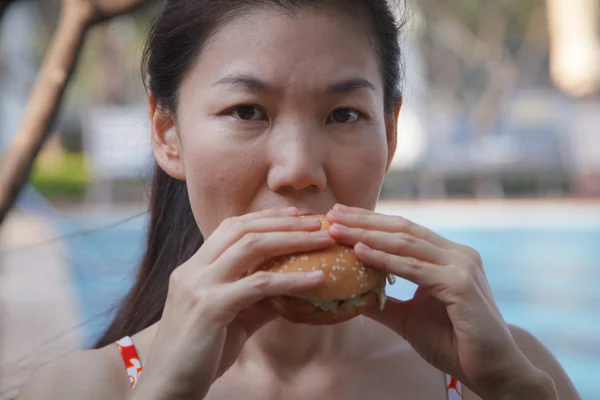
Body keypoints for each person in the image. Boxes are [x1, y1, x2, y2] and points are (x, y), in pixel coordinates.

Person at [17, 1, 580, 399]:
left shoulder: (509, 373)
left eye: (343, 115)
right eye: (246, 111)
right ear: (167, 133)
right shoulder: (79, 390)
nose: (299, 171)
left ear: (390, 132)